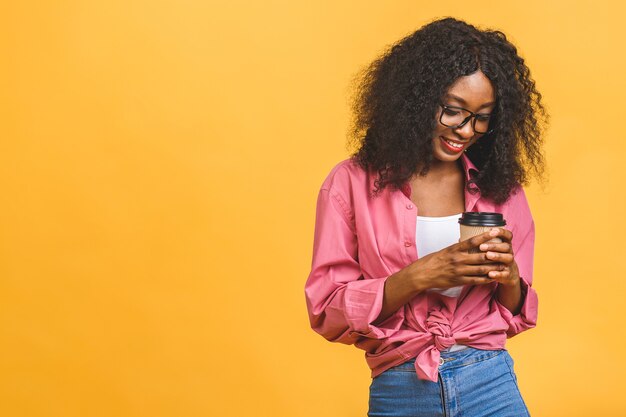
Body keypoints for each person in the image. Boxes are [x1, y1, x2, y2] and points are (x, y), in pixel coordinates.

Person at [304, 17, 547, 417]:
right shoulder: (350, 184)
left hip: (490, 382)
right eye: (454, 111)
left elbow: (515, 314)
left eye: (482, 117)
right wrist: (419, 276)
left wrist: (508, 278)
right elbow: (327, 311)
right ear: (415, 98)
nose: (467, 130)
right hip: (401, 386)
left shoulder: (500, 189)